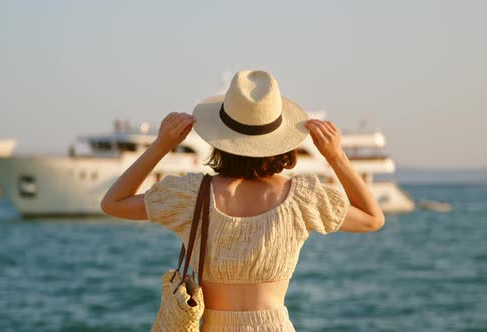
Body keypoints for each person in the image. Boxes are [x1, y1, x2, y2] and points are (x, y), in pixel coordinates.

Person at [101, 70, 384, 331]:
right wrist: (335, 156)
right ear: (278, 140)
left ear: (221, 138)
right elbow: (373, 219)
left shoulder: (190, 195)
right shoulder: (301, 198)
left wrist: (161, 145)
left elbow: (113, 203)